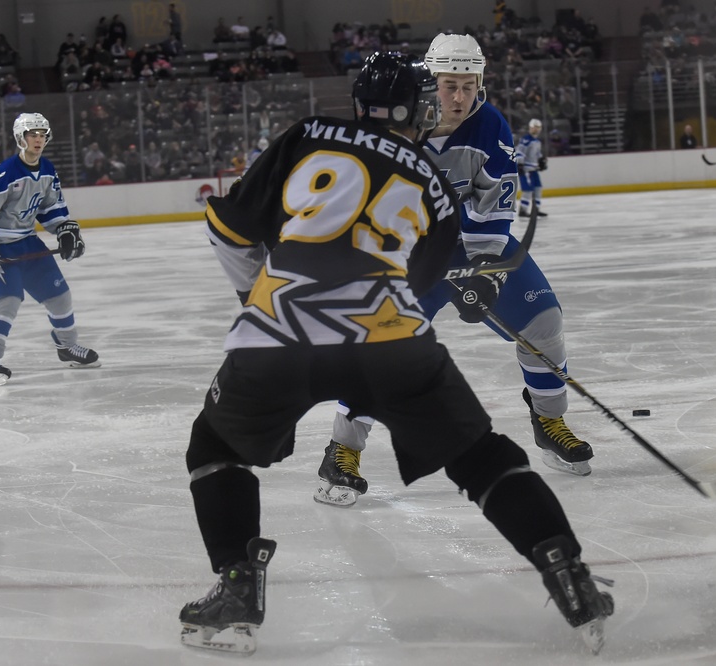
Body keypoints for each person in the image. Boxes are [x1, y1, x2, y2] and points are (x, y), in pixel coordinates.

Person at [178, 51, 614, 657]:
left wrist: (255, 293)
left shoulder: (305, 135)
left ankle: (236, 587)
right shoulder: (431, 180)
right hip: (387, 336)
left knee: (214, 449)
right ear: (415, 109)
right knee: (480, 456)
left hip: (281, 329)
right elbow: (422, 280)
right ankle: (569, 574)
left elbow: (227, 230)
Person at [315, 33, 596, 509]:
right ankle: (342, 451)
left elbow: (494, 209)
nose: (460, 97)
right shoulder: (394, 124)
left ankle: (549, 422)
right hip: (407, 256)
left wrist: (485, 275)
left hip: (473, 248)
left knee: (543, 323)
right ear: (431, 82)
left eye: (469, 84)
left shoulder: (490, 126)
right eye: (450, 85)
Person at [0, 112, 100, 385]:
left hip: (28, 243)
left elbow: (52, 207)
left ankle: (66, 347)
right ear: (21, 138)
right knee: (7, 301)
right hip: (0, 246)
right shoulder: (4, 173)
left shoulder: (48, 170)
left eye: (42, 134)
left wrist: (65, 229)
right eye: (32, 134)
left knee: (60, 295)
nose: (38, 139)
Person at [515, 118, 549, 218]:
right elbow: (520, 151)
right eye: (535, 127)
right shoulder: (526, 139)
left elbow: (537, 153)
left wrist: (541, 161)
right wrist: (520, 163)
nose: (537, 129)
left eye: (539, 127)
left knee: (538, 188)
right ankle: (523, 210)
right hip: (526, 169)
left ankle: (536, 209)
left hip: (534, 169)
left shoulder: (537, 141)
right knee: (527, 190)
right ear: (530, 127)